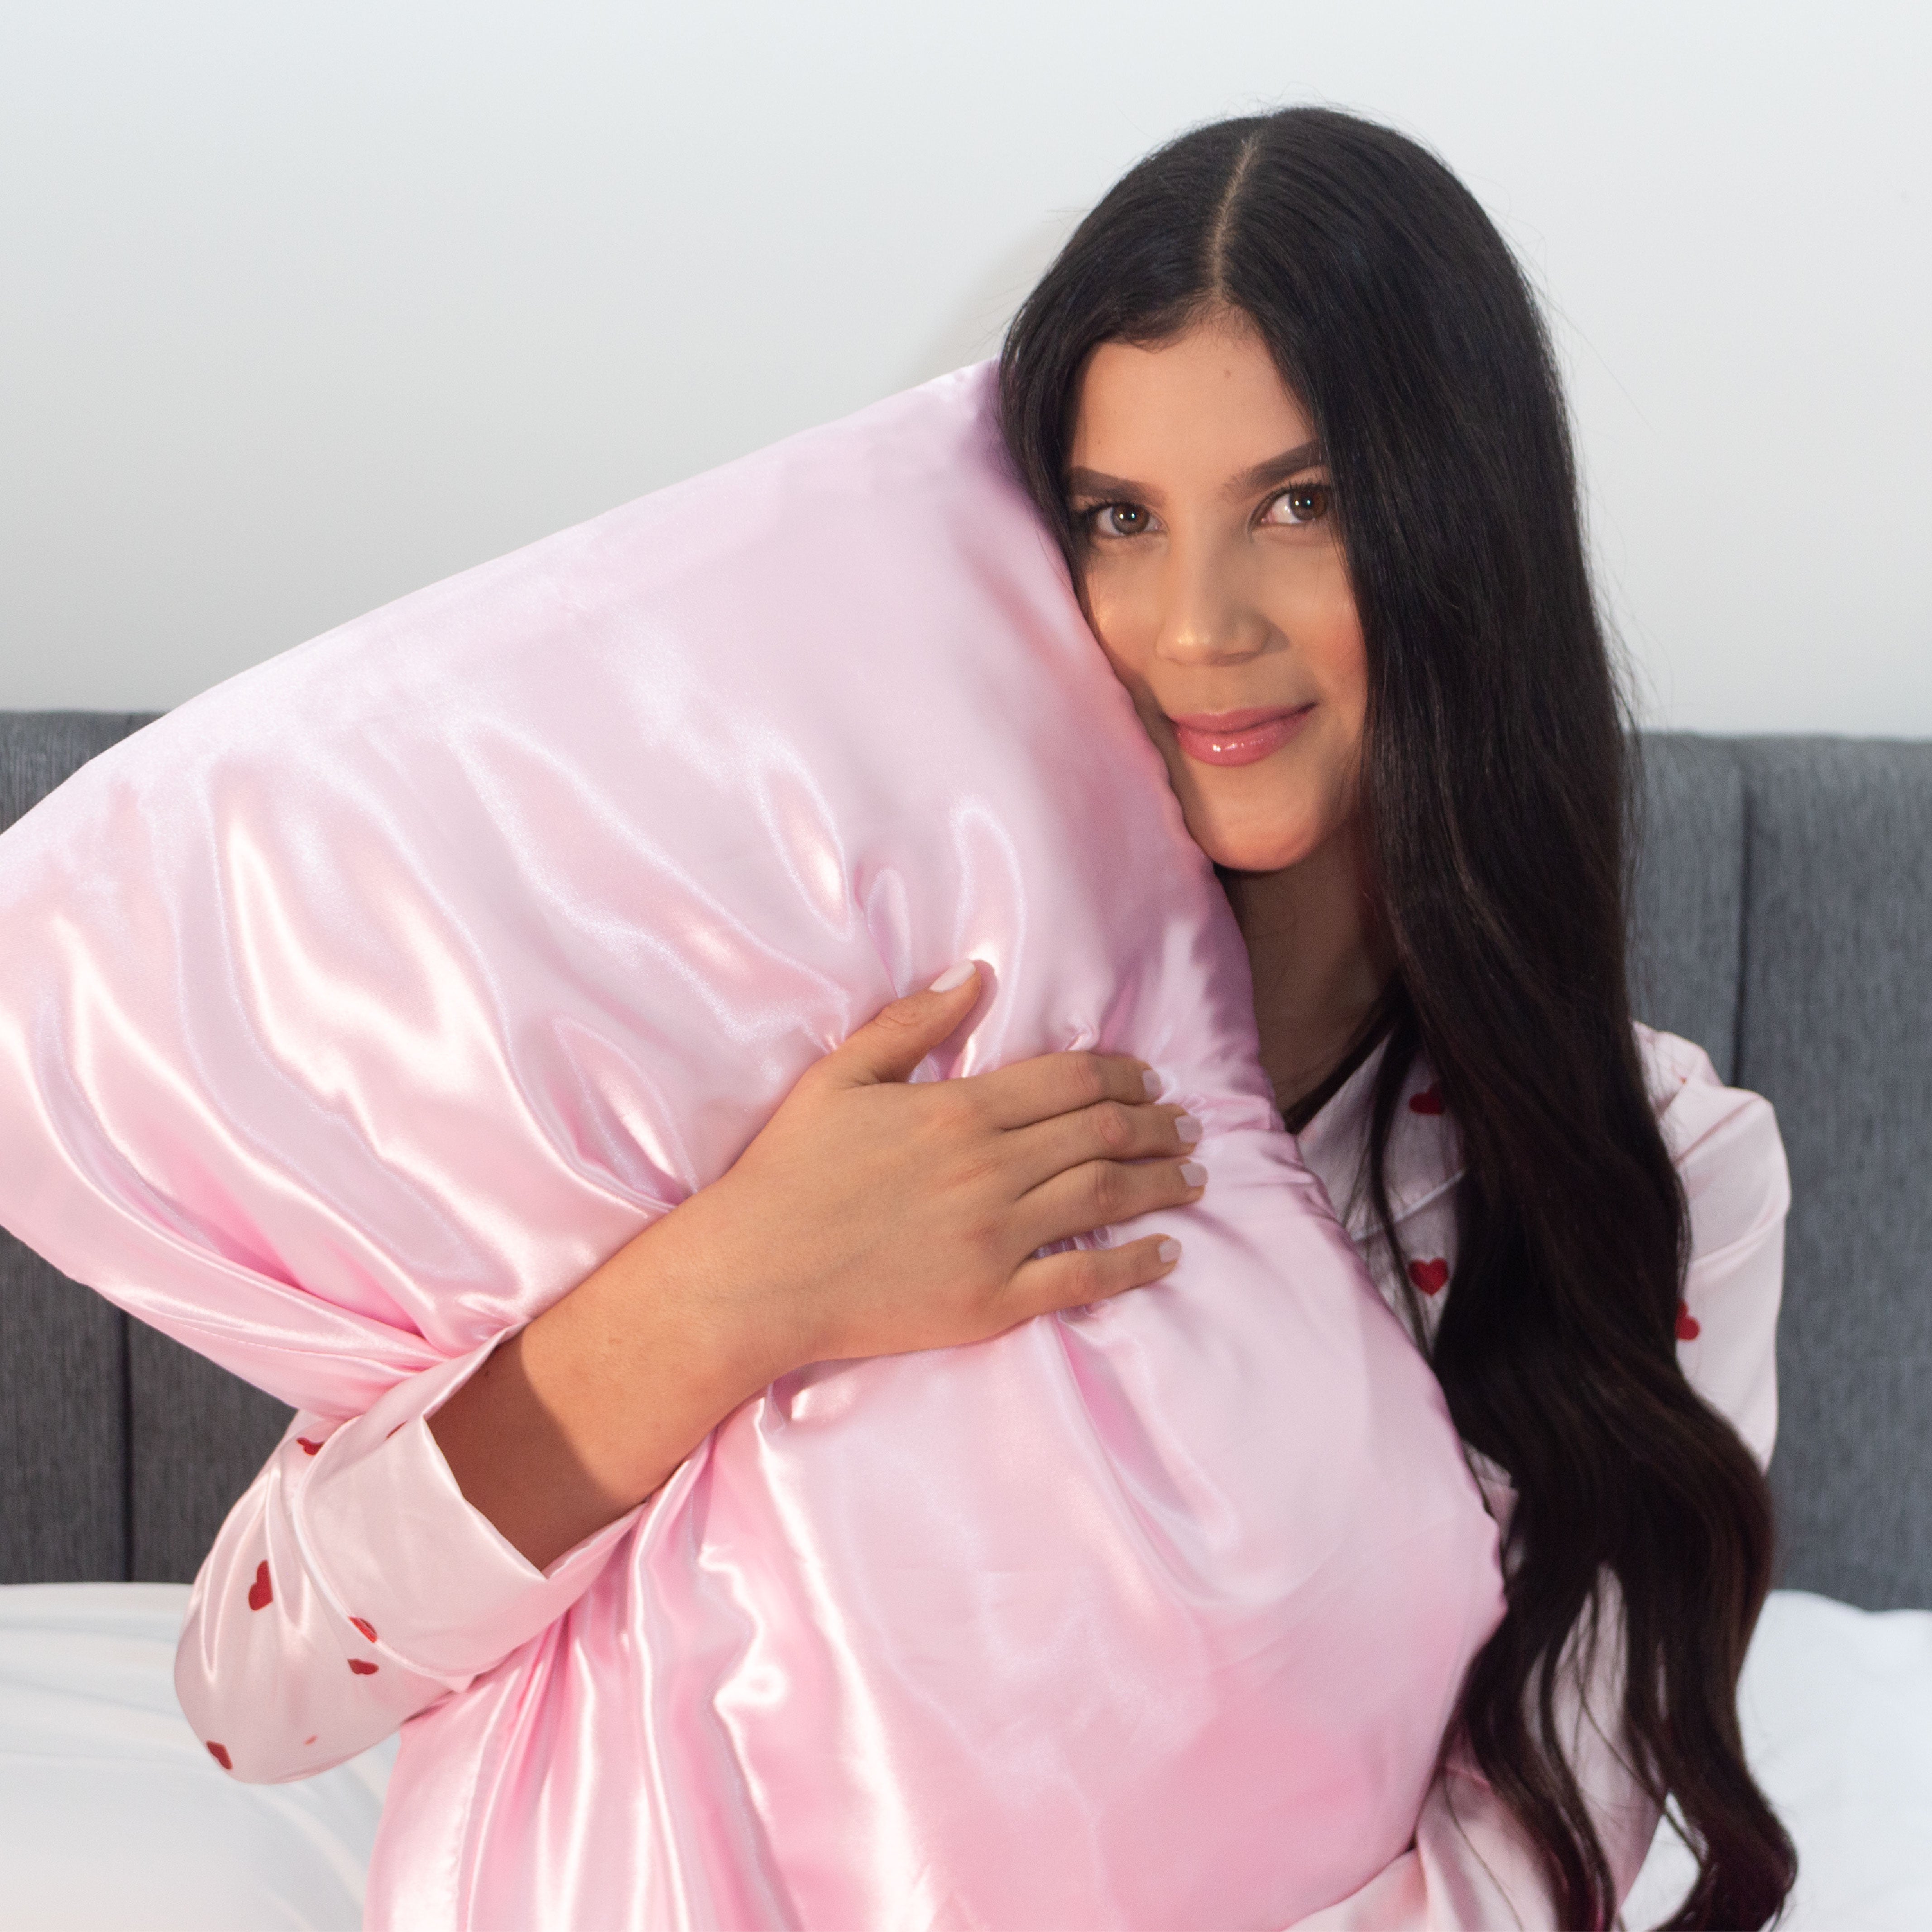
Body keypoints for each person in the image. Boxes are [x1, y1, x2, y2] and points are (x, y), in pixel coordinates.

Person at [178, 108, 1794, 1929]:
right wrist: (737, 1284)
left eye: (1301, 502)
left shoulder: (1668, 1178)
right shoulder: (824, 1016)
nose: (1195, 625)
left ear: (1465, 527)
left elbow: (1520, 1878)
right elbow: (261, 1683)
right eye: (1119, 519)